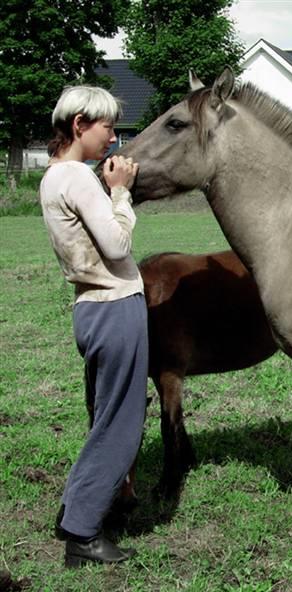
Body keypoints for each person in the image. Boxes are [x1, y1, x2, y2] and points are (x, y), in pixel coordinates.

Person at [40, 85, 147, 567]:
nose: (113, 137)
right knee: (121, 425)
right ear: (79, 124)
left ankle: (78, 508)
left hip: (89, 307)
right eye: (106, 126)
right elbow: (118, 246)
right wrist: (121, 193)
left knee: (106, 417)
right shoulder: (79, 179)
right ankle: (82, 533)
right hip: (114, 307)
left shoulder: (51, 178)